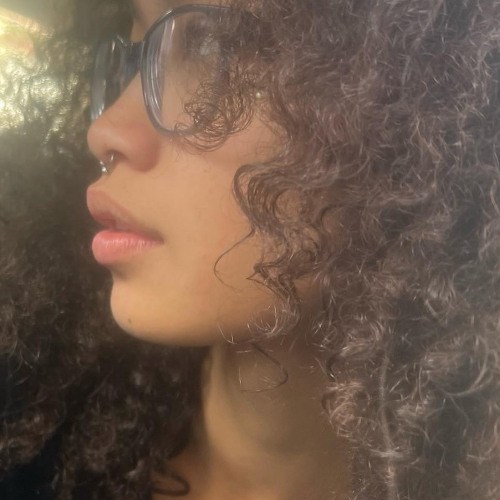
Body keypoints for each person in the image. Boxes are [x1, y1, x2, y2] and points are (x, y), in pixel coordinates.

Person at [2, 0, 500, 499]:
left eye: (214, 46)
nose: (105, 132)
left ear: (417, 120)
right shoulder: (25, 427)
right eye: (131, 55)